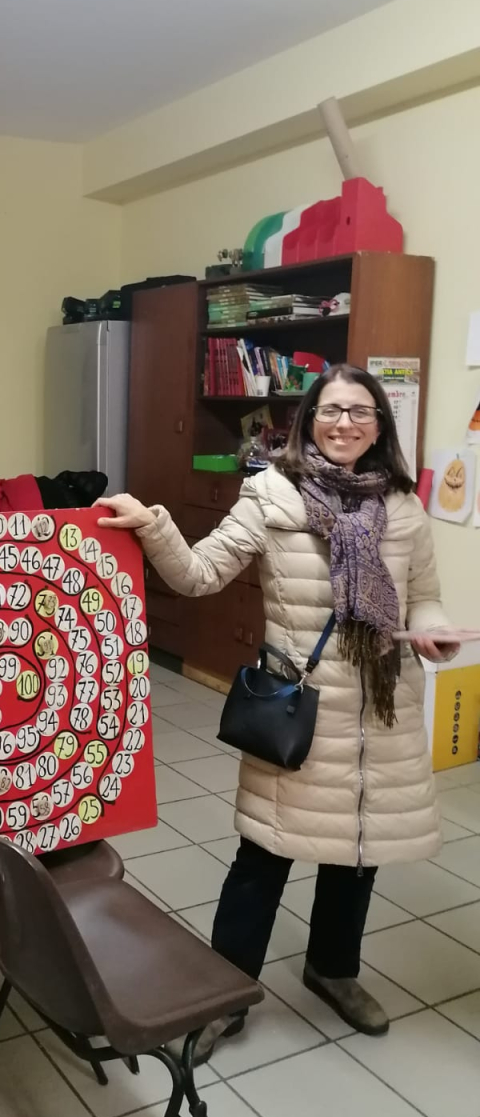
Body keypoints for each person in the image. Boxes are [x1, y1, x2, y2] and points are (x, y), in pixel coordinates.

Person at [97, 363, 455, 1062]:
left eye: (360, 412)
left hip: (381, 711)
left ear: (379, 425)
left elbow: (425, 597)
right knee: (264, 855)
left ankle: (333, 969)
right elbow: (198, 574)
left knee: (358, 852)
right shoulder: (271, 494)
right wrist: (153, 525)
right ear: (308, 420)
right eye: (331, 410)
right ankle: (223, 997)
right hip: (301, 709)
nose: (345, 423)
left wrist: (434, 630)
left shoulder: (404, 506)